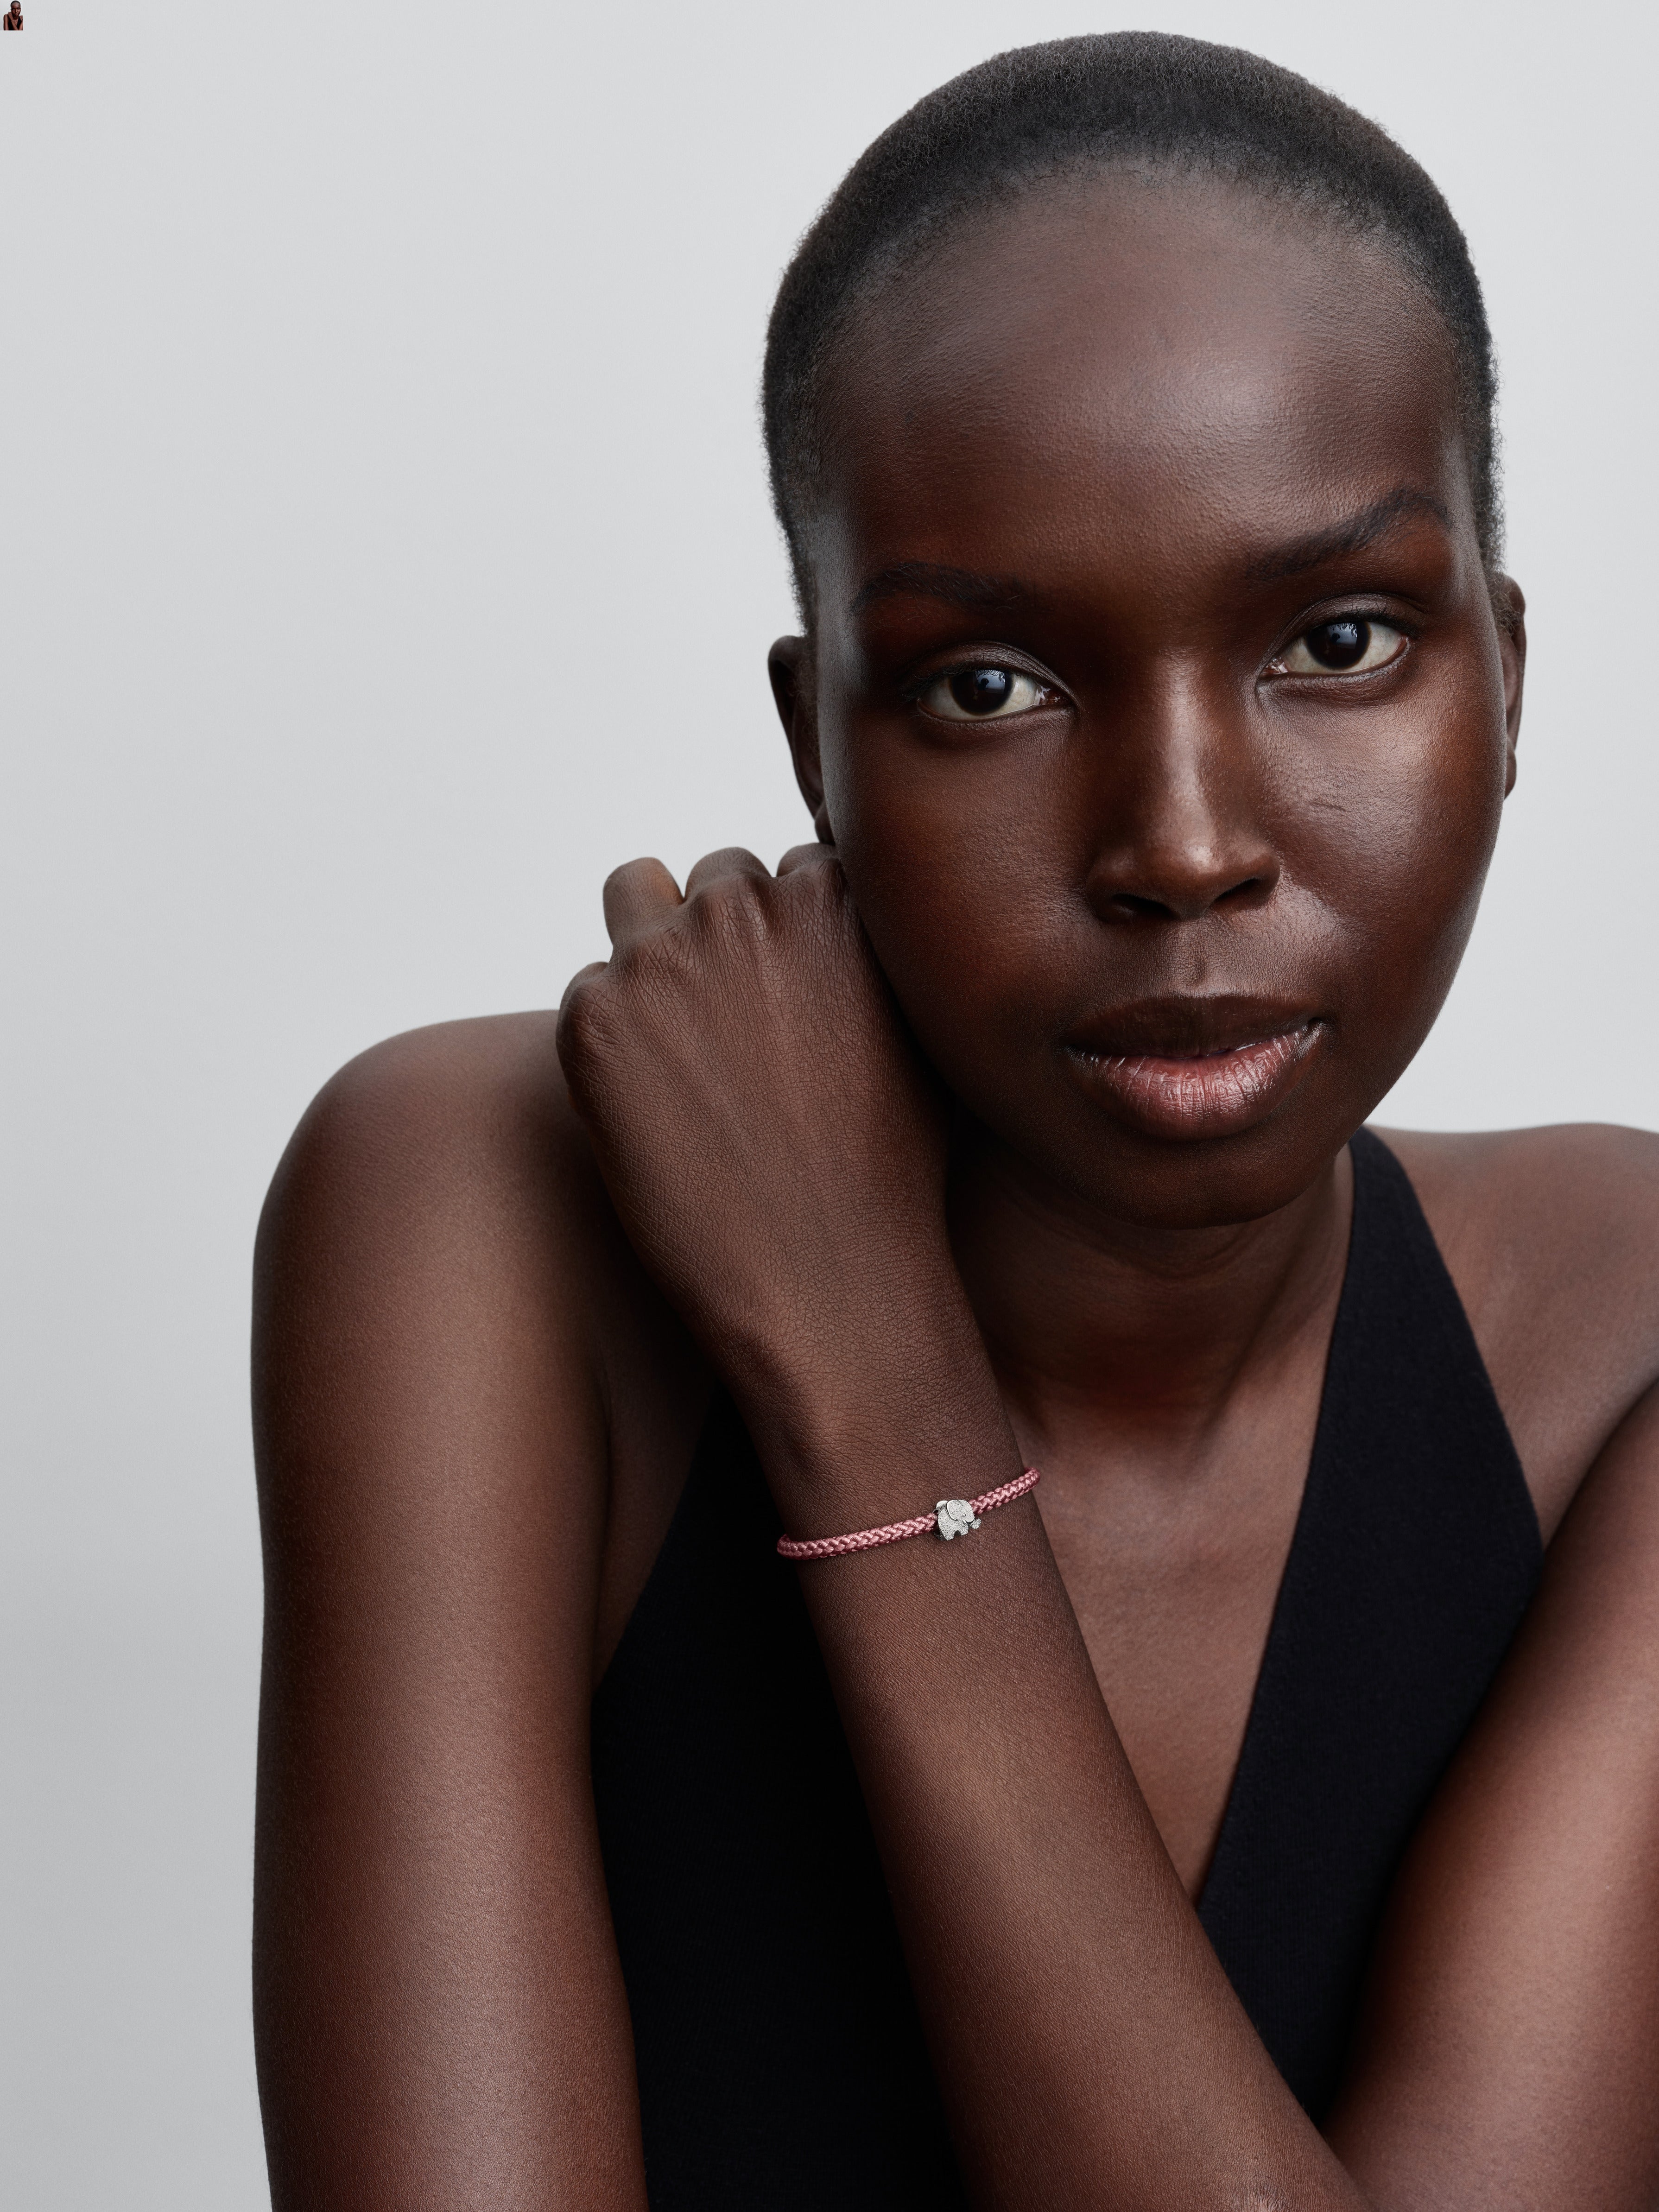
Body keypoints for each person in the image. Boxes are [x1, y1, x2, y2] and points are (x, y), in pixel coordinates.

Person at [250, 32, 1659, 2212]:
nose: (1182, 846)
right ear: (817, 741)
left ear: (1509, 686)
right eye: (987, 685)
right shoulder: (476, 1210)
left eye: (1342, 637)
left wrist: (879, 1390)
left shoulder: (1620, 1350)